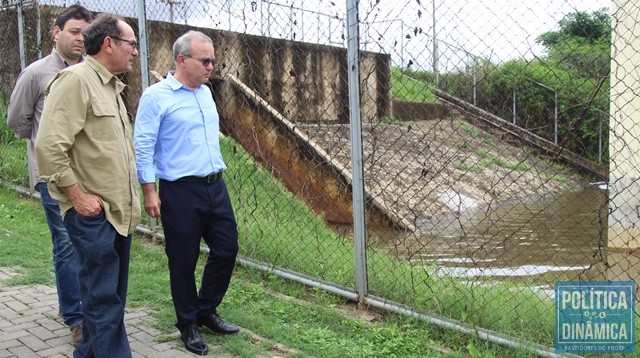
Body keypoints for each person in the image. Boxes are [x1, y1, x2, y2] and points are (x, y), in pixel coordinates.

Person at [34, 13, 141, 358]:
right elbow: (49, 147)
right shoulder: (76, 80)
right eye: (131, 44)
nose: (136, 52)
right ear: (109, 44)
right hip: (93, 215)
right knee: (104, 302)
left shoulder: (110, 86)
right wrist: (77, 196)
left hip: (116, 215)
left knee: (108, 301)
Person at [133, 30, 239, 356]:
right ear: (182, 60)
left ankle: (206, 309)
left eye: (213, 60)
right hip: (179, 191)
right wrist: (149, 191)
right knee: (182, 260)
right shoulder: (156, 96)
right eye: (204, 60)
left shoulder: (205, 93)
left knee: (226, 249)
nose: (211, 66)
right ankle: (188, 324)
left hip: (214, 187)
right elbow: (143, 145)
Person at [6, 4, 93, 346]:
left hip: (89, 175)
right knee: (67, 244)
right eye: (74, 32)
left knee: (92, 244)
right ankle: (76, 317)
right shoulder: (37, 73)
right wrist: (46, 145)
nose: (80, 39)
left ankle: (96, 309)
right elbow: (18, 121)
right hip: (53, 177)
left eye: (86, 34)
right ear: (57, 32)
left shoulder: (91, 72)